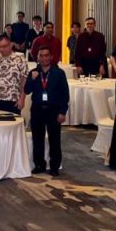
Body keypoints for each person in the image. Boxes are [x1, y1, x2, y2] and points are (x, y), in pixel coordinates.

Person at [24, 46, 70, 176]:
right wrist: (32, 79)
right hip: (37, 109)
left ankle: (54, 166)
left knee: (54, 139)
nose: (44, 58)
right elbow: (27, 90)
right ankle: (39, 164)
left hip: (53, 110)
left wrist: (62, 112)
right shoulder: (33, 72)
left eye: (46, 55)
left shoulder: (58, 73)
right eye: (41, 55)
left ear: (51, 57)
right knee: (37, 139)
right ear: (37, 58)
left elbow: (65, 94)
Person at [0, 35, 28, 113]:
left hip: (13, 100)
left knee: (13, 121)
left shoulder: (20, 60)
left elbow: (24, 81)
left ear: (10, 45)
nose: (2, 49)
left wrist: (22, 99)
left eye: (4, 46)